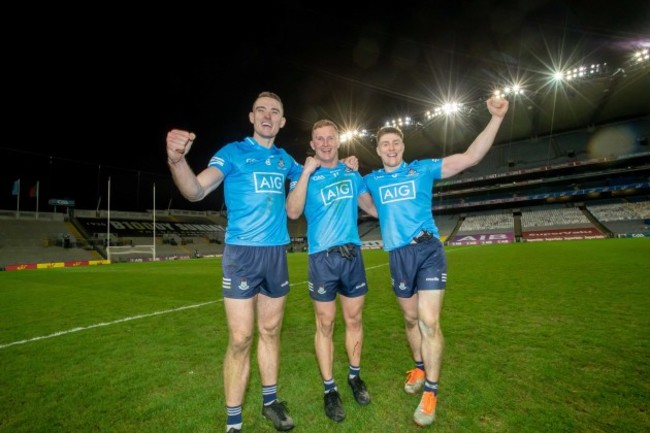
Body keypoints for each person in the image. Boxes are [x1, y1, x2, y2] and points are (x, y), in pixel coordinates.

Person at [363, 95, 509, 427]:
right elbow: (367, 204)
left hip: (428, 251)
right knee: (411, 320)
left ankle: (431, 392)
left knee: (429, 322)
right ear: (378, 149)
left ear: (402, 146)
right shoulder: (372, 180)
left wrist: (497, 118)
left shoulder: (422, 169)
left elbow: (470, 157)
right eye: (385, 144)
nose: (390, 148)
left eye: (395, 142)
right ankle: (418, 365)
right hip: (398, 256)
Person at [166, 91, 301, 433]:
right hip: (241, 254)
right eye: (261, 110)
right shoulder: (233, 153)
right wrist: (177, 160)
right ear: (252, 117)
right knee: (241, 339)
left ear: (282, 121)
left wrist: (340, 164)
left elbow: (316, 177)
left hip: (276, 254)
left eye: (275, 111)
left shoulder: (287, 161)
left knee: (270, 331)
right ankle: (233, 423)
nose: (267, 115)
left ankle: (270, 402)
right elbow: (196, 190)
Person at [286, 119, 378, 423]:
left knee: (354, 320)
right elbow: (293, 211)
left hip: (352, 257)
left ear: (338, 141)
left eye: (330, 138)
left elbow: (372, 208)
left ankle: (354, 377)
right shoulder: (304, 176)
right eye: (319, 139)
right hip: (322, 259)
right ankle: (329, 389)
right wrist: (306, 172)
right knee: (324, 325)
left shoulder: (351, 173)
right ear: (312, 145)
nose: (325, 143)